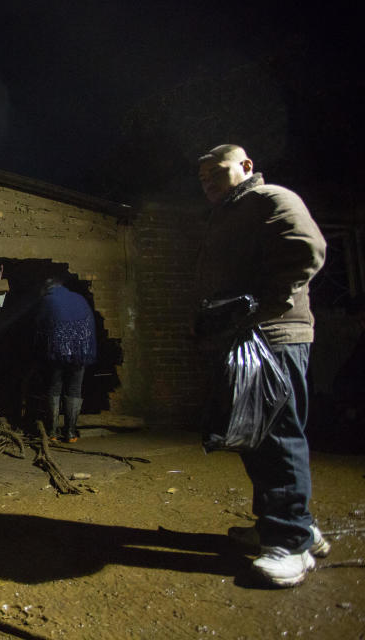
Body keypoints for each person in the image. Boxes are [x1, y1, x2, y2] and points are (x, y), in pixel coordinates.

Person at [196, 144, 329, 587]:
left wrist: (261, 306)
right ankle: (292, 524)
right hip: (249, 339)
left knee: (277, 435)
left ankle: (291, 546)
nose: (209, 181)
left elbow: (308, 249)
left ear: (246, 166)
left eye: (217, 171)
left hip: (275, 336)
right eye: (203, 177)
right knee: (257, 436)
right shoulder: (232, 212)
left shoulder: (271, 198)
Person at [31, 275, 97, 443]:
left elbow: (40, 326)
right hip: (81, 350)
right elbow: (89, 322)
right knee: (75, 389)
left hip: (58, 351)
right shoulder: (79, 298)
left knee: (55, 387)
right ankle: (71, 433)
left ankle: (52, 432)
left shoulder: (48, 300)